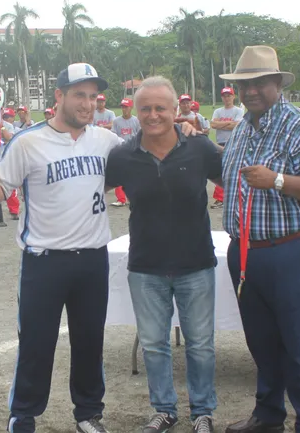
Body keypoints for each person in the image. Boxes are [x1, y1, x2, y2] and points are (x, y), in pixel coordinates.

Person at [0, 63, 121, 433]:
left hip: (93, 257)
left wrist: (184, 131)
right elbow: (1, 186)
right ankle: (23, 414)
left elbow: (139, 162)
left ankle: (88, 413)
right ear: (59, 96)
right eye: (79, 94)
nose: (87, 103)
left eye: (93, 96)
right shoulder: (28, 141)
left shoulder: (107, 141)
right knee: (36, 342)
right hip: (44, 260)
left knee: (89, 340)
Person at [218, 47, 300, 433]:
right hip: (245, 253)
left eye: (260, 83)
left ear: (277, 83)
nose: (251, 91)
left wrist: (277, 180)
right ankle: (269, 414)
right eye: (244, 85)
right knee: (261, 342)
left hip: (293, 251)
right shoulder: (242, 128)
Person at [106, 76, 223, 433]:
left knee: (200, 344)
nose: (153, 115)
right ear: (136, 112)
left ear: (176, 111)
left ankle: (202, 412)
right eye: (146, 108)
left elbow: (234, 181)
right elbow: (91, 189)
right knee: (154, 345)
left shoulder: (200, 148)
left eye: (161, 108)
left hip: (195, 264)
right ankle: (164, 409)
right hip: (146, 267)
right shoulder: (123, 155)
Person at [210, 87, 244, 209]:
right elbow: (213, 124)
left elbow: (237, 125)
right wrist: (229, 123)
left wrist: (221, 124)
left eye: (229, 95)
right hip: (221, 143)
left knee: (235, 169)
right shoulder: (218, 111)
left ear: (233, 97)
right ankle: (220, 198)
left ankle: (236, 197)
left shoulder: (238, 110)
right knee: (221, 169)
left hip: (234, 142)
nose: (227, 98)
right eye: (224, 96)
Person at [110, 98, 140, 207]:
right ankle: (121, 199)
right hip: (121, 150)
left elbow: (139, 135)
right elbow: (113, 135)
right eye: (122, 107)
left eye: (126, 107)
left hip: (133, 151)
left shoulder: (136, 121)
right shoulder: (117, 121)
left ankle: (133, 197)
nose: (124, 109)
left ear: (131, 108)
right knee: (119, 174)